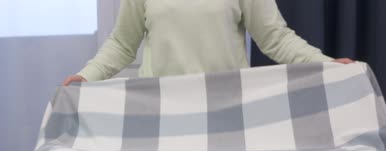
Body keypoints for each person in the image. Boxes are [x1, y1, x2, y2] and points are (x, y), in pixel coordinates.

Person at [63, 0, 353, 85]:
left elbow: (276, 39)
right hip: (161, 105)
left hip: (228, 105)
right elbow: (122, 44)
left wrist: (326, 65)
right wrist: (88, 76)